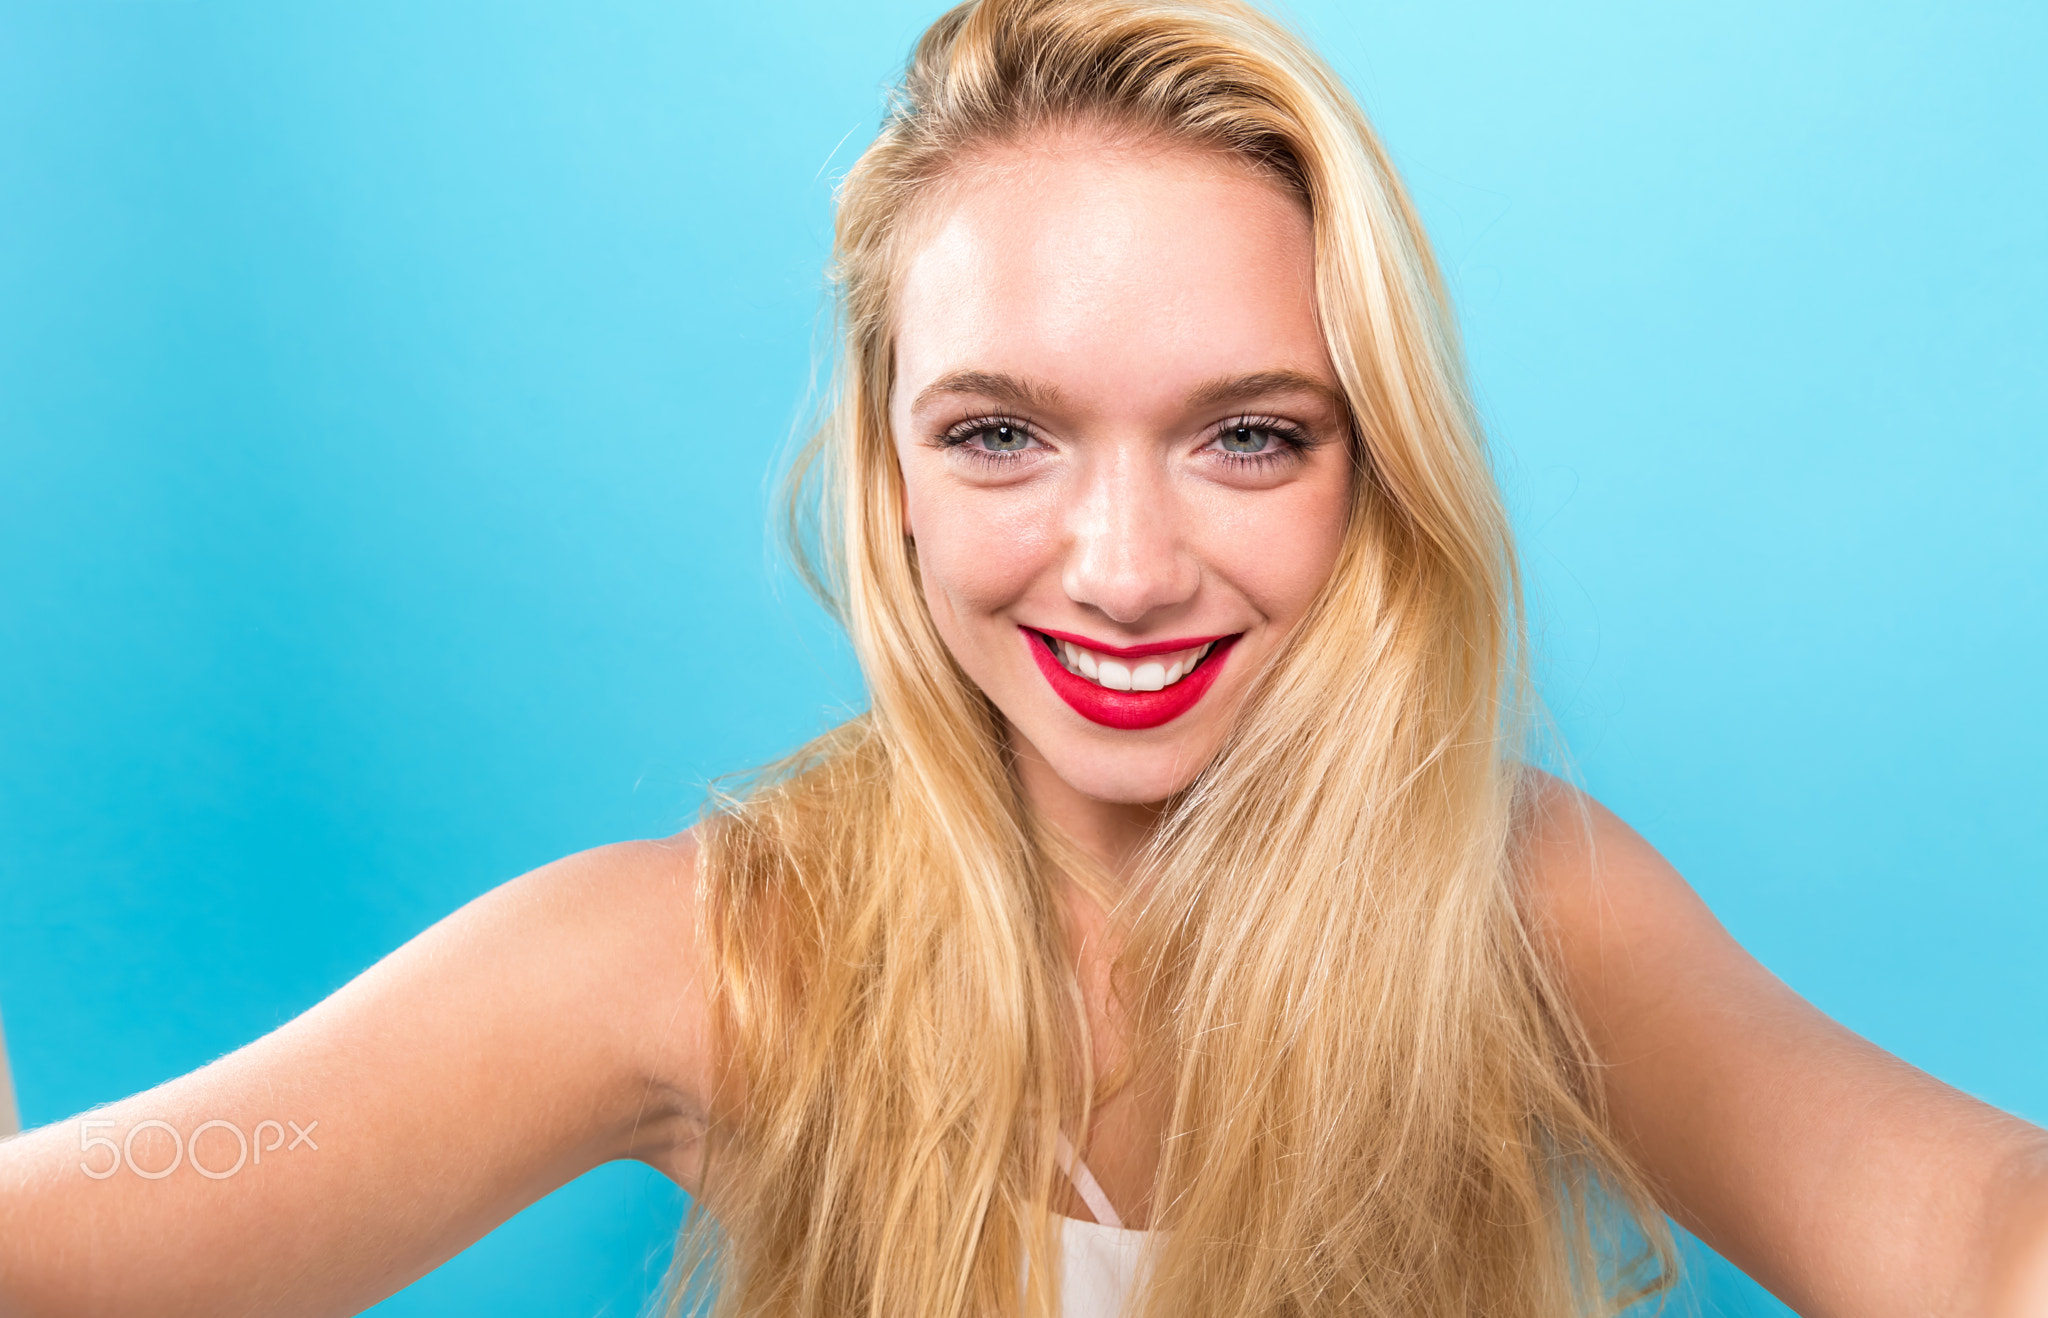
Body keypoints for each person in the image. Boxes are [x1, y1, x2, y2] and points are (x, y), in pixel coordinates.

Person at [2, 1, 2044, 1315]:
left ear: (1373, 471)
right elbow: (82, 1241)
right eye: (1002, 434)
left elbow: (1974, 1230)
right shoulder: (718, 955)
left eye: (1250, 435)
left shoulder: (1518, 912)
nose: (1126, 570)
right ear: (888, 471)